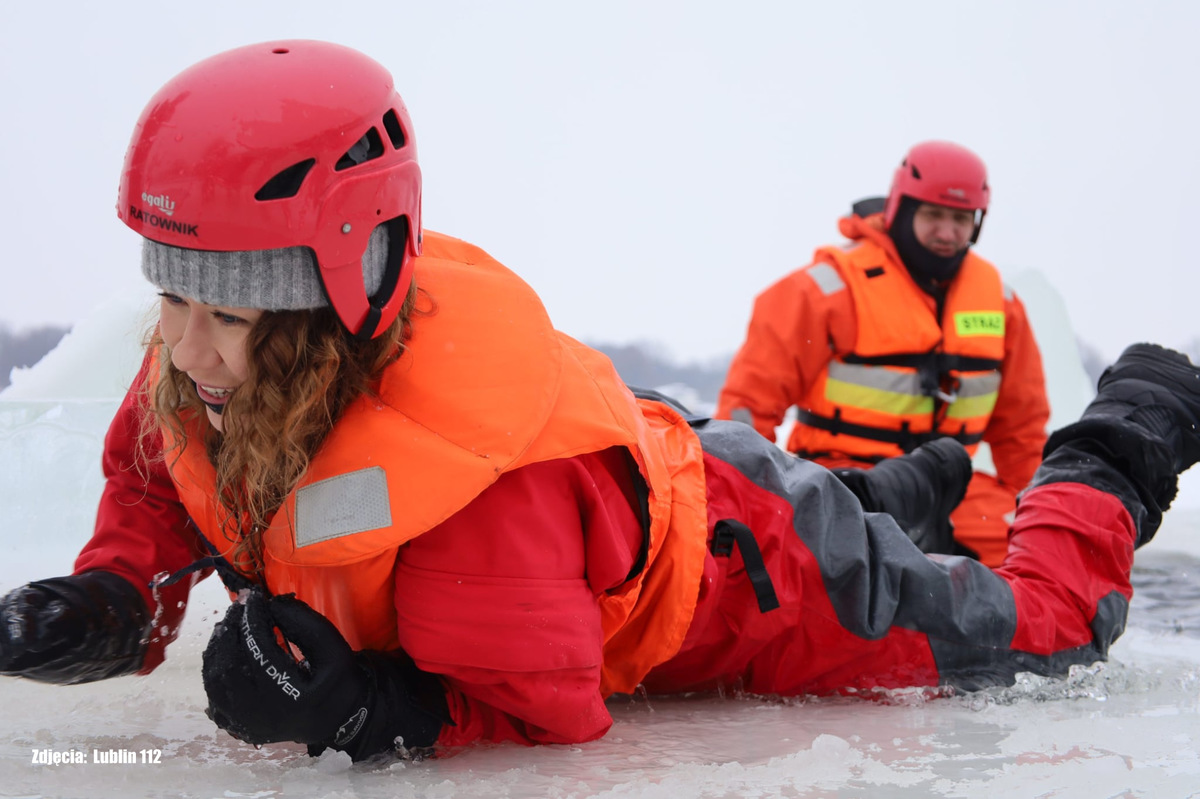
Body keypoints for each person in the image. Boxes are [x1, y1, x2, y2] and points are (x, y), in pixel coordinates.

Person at [0, 40, 1194, 764]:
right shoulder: (201, 379)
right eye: (172, 295)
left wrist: (367, 710)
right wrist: (113, 593)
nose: (186, 346)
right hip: (670, 470)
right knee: (847, 503)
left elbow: (548, 706)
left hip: (764, 573)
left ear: (330, 308)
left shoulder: (480, 493)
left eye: (232, 313)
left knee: (1045, 632)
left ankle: (1127, 436)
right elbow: (163, 479)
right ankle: (893, 491)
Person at [716, 142, 1050, 566]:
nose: (947, 233)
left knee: (1029, 557)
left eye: (961, 219)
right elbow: (748, 408)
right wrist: (747, 506)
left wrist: (1035, 511)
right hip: (846, 482)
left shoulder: (1001, 306)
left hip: (955, 489)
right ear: (901, 209)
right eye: (933, 215)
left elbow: (1022, 430)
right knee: (831, 567)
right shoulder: (823, 290)